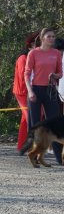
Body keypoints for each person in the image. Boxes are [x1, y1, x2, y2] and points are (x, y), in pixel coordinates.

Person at [24, 27, 63, 165]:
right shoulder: (33, 53)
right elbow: (27, 74)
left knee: (56, 124)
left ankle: (60, 158)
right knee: (35, 124)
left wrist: (55, 76)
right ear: (42, 38)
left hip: (50, 90)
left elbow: (60, 72)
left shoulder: (57, 53)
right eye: (49, 36)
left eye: (53, 36)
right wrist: (30, 91)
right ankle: (34, 156)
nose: (52, 39)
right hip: (35, 90)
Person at [13, 32, 38, 153]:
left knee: (25, 119)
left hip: (30, 91)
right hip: (22, 92)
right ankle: (33, 146)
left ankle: (22, 146)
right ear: (30, 45)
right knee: (30, 118)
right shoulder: (23, 58)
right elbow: (25, 76)